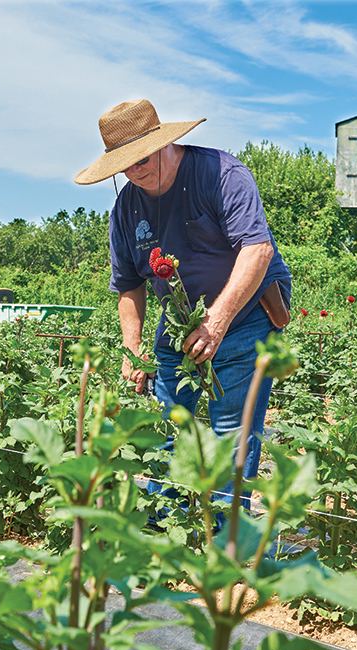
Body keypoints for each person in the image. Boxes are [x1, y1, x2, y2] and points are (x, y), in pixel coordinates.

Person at [75, 98, 292, 515]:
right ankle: (169, 518)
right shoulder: (125, 209)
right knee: (170, 421)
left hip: (246, 313)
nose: (134, 171)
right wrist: (132, 347)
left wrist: (218, 320)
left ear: (165, 142)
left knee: (233, 425)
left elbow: (257, 251)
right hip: (178, 317)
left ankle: (229, 533)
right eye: (124, 164)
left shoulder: (220, 175)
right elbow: (128, 285)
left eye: (142, 159)